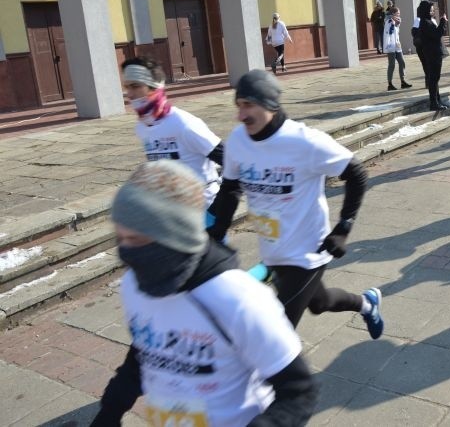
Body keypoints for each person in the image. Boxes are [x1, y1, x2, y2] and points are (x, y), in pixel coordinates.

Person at [91, 160, 317, 427]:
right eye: (121, 238)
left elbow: (299, 391)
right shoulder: (134, 284)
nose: (126, 254)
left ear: (176, 234)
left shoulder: (239, 299)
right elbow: (143, 354)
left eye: (137, 240)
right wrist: (109, 413)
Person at [207, 70, 384, 336]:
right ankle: (366, 304)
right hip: (272, 249)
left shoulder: (304, 141)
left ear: (270, 104)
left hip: (307, 252)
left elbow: (356, 174)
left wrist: (343, 228)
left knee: (276, 334)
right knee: (320, 303)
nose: (241, 115)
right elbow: (231, 189)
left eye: (248, 105)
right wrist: (215, 235)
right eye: (238, 106)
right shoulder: (238, 141)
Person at [121, 57, 223, 211]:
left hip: (203, 211)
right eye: (127, 87)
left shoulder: (184, 124)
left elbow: (231, 161)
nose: (129, 94)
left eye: (135, 86)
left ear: (154, 87)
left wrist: (219, 210)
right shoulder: (142, 127)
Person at [415, 0, 449, 111]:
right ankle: (434, 103)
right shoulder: (425, 22)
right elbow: (437, 34)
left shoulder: (429, 21)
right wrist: (443, 21)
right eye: (430, 10)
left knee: (435, 79)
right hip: (432, 53)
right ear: (425, 11)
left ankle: (437, 100)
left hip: (434, 53)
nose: (432, 11)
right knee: (433, 79)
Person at [382, 6, 412, 91]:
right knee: (392, 65)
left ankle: (403, 81)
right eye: (397, 13)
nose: (399, 15)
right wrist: (394, 24)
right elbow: (389, 33)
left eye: (399, 13)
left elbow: (396, 33)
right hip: (390, 46)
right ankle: (390, 84)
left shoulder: (397, 22)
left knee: (402, 62)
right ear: (393, 14)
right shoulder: (388, 21)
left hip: (397, 45)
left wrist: (398, 24)